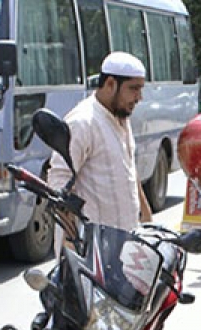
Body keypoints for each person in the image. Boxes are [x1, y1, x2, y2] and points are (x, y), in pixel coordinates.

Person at [48, 51, 152, 251]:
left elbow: (129, 169)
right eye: (134, 89)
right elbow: (59, 183)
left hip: (123, 243)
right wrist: (72, 241)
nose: (139, 97)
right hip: (90, 249)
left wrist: (146, 217)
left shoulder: (121, 117)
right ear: (111, 84)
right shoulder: (83, 122)